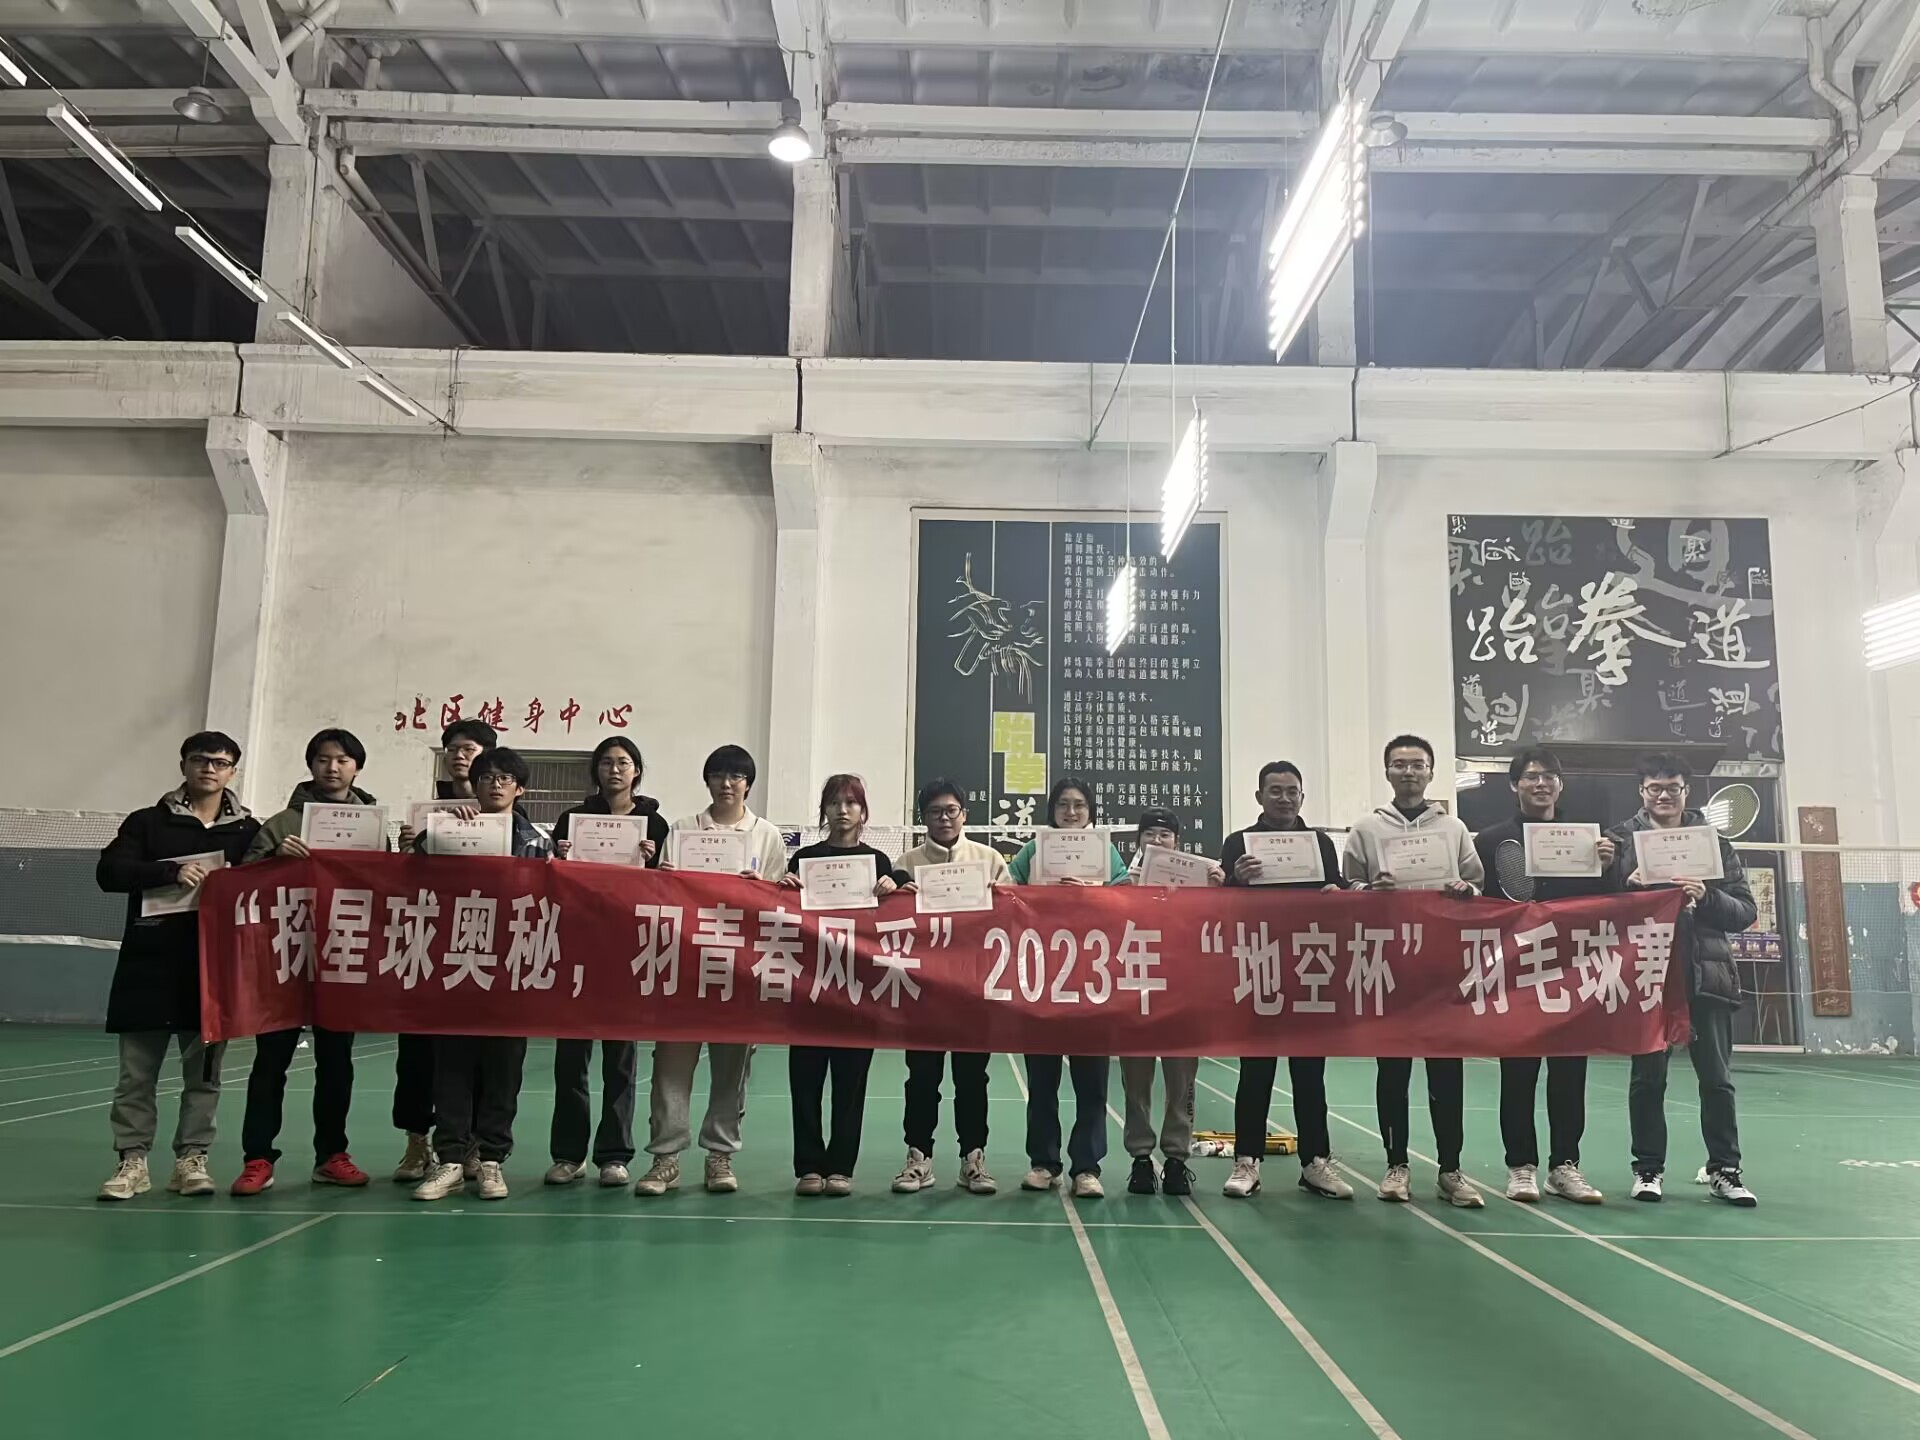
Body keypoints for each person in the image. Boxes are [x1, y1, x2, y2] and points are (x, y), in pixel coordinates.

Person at [94, 731, 261, 1201]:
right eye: (200, 759)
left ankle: (192, 1159)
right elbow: (109, 872)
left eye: (220, 762)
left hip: (212, 971)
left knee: (204, 1076)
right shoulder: (146, 823)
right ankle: (132, 1160)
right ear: (184, 764)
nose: (209, 768)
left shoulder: (247, 832)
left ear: (232, 772)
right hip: (148, 966)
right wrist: (168, 871)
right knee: (136, 1076)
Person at [229, 727, 380, 1196]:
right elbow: (243, 885)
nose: (332, 767)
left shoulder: (372, 825)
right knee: (270, 1061)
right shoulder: (280, 824)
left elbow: (386, 887)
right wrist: (275, 858)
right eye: (322, 759)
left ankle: (332, 1155)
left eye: (342, 759)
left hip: (341, 956)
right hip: (286, 957)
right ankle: (257, 1157)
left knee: (337, 1063)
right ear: (311, 765)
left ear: (357, 768)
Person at [635, 744, 786, 1197]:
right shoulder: (683, 830)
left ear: (748, 784)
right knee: (670, 1067)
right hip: (684, 966)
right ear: (707, 781)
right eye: (718, 775)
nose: (727, 783)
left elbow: (779, 902)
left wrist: (761, 889)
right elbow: (663, 895)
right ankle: (665, 1158)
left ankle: (720, 1155)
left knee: (731, 1068)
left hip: (739, 970)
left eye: (736, 776)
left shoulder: (767, 835)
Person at [1608, 753, 1758, 1207]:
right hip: (1647, 976)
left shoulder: (1715, 845)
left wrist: (1707, 896)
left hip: (1706, 975)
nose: (1664, 795)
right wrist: (1626, 887)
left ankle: (1725, 1170)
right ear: (1642, 792)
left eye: (1672, 787)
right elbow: (1596, 911)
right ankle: (1647, 1169)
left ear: (1685, 791)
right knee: (1647, 1079)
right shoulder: (1618, 841)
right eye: (1655, 788)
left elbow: (1745, 911)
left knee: (1717, 1080)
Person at [1342, 734, 1486, 1208]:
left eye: (1417, 764)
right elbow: (1348, 886)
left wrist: (1465, 890)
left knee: (1447, 1072)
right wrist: (1370, 890)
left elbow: (1476, 884)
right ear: (1387, 771)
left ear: (1430, 772)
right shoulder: (1366, 828)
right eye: (1400, 764)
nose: (1409, 772)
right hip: (1389, 966)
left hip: (1442, 968)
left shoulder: (1454, 828)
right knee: (1393, 1070)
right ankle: (1396, 1165)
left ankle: (1450, 1170)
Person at [411, 747, 552, 1202]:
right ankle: (451, 1159)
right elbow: (409, 875)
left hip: (510, 969)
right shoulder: (448, 829)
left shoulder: (538, 842)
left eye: (505, 777)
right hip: (457, 963)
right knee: (451, 1064)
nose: (495, 784)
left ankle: (491, 1159)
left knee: (503, 1069)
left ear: (520, 788)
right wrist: (433, 835)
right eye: (487, 776)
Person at [1473, 746, 1611, 1205]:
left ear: (1560, 784)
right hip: (1516, 972)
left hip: (1572, 972)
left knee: (1570, 1073)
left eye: (1549, 776)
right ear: (1515, 784)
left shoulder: (1589, 840)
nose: (1541, 783)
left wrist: (1609, 866)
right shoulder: (1490, 841)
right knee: (1518, 1072)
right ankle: (1521, 1166)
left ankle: (1565, 1166)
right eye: (1531, 776)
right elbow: (1480, 905)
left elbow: (1609, 903)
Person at [1217, 762, 1352, 1202]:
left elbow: (1336, 891)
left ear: (1302, 797)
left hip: (1310, 970)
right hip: (1259, 967)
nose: (1284, 798)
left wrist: (1336, 893)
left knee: (1310, 1073)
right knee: (1255, 1070)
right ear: (1259, 797)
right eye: (1274, 790)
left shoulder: (1320, 843)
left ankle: (1315, 1162)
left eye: (1291, 791)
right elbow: (1220, 906)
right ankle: (1247, 1161)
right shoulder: (1238, 843)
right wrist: (1236, 880)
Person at [545, 735, 670, 1189]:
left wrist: (652, 866)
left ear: (636, 771)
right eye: (606, 763)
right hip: (577, 947)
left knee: (620, 1059)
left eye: (623, 762)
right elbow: (556, 884)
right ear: (595, 770)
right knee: (570, 1058)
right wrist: (560, 860)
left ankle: (614, 1155)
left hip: (627, 949)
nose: (614, 770)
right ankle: (568, 1154)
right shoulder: (572, 820)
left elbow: (666, 888)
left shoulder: (655, 824)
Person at [391, 717, 498, 1185]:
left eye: (469, 749)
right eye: (453, 748)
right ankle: (417, 1141)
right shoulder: (423, 812)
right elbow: (399, 879)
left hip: (478, 944)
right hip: (427, 943)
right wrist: (407, 849)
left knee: (476, 1054)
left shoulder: (502, 816)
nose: (459, 756)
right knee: (416, 1049)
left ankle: (469, 1143)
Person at [1007, 776, 1126, 1199]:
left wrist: (1094, 896)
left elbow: (1127, 899)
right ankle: (1043, 1163)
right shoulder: (1033, 851)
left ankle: (1087, 1168)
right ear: (1052, 811)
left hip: (1093, 979)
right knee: (1042, 1079)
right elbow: (1008, 894)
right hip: (1042, 978)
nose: (1071, 812)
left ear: (1091, 811)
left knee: (1092, 1081)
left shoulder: (1106, 853)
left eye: (1079, 805)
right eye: (1063, 804)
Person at [890, 777, 1010, 1196]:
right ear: (924, 818)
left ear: (964, 814)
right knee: (921, 1078)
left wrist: (1001, 896)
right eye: (935, 812)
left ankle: (973, 1159)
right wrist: (895, 893)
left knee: (972, 1078)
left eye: (951, 810)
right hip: (922, 991)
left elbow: (1015, 914)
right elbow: (889, 921)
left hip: (973, 990)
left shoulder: (989, 860)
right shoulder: (906, 862)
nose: (944, 818)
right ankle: (918, 1158)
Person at [781, 774, 898, 1196]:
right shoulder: (804, 859)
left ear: (863, 812)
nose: (842, 810)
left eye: (851, 802)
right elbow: (782, 914)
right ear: (824, 810)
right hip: (810, 987)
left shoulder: (878, 863)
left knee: (851, 1084)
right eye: (834, 802)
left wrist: (894, 887)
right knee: (805, 1082)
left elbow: (895, 918)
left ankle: (841, 1167)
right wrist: (785, 888)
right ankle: (809, 1167)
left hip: (857, 990)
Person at [1114, 808, 1217, 1196]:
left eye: (1165, 835)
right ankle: (1141, 1158)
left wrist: (1216, 889)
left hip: (1182, 997)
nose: (1157, 841)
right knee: (1136, 1083)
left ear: (1177, 842)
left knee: (1181, 1082)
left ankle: (1176, 1159)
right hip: (1136, 994)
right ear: (1138, 839)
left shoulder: (1198, 880)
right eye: (1149, 834)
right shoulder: (1122, 882)